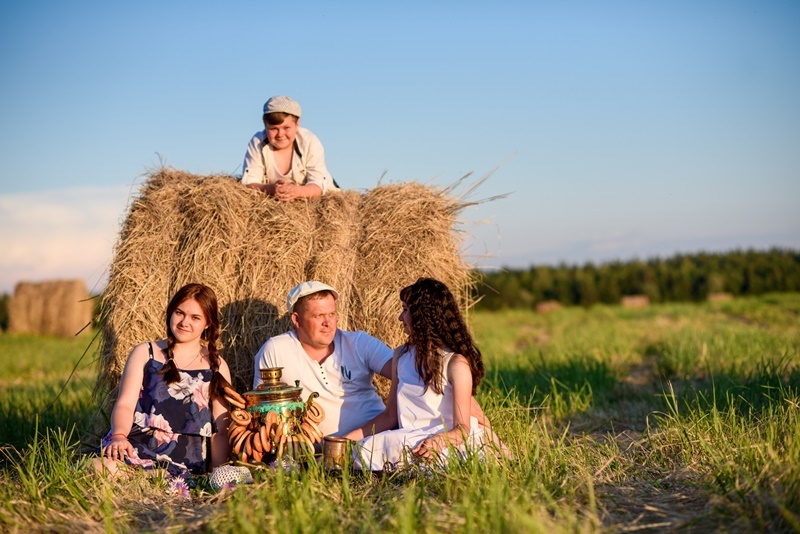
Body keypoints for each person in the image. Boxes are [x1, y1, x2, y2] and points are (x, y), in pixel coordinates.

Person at [345, 277, 507, 471]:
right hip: (411, 436)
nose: (400, 318)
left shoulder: (455, 363)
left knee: (445, 455)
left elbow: (463, 428)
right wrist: (344, 440)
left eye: (405, 310)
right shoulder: (401, 356)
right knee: (363, 450)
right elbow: (389, 417)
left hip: (448, 436)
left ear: (423, 316)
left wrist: (440, 441)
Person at [95, 283, 233, 476]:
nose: (184, 322)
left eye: (195, 317)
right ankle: (136, 475)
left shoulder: (216, 366)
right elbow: (125, 403)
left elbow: (221, 429)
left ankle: (147, 478)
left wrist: (218, 472)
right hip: (134, 447)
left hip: (184, 461)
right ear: (170, 313)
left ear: (208, 323)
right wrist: (119, 436)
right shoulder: (145, 353)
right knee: (101, 468)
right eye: (179, 313)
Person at [252, 281, 393, 437]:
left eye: (332, 314)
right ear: (297, 320)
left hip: (374, 442)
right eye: (318, 315)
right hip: (311, 454)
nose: (328, 323)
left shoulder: (360, 343)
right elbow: (261, 411)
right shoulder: (276, 350)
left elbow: (409, 375)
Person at [240, 96, 337, 201]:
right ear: (265, 125)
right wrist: (271, 189)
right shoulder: (257, 143)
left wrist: (297, 191)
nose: (280, 134)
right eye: (273, 129)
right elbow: (249, 183)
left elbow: (318, 185)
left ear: (297, 124)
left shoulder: (309, 141)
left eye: (286, 128)